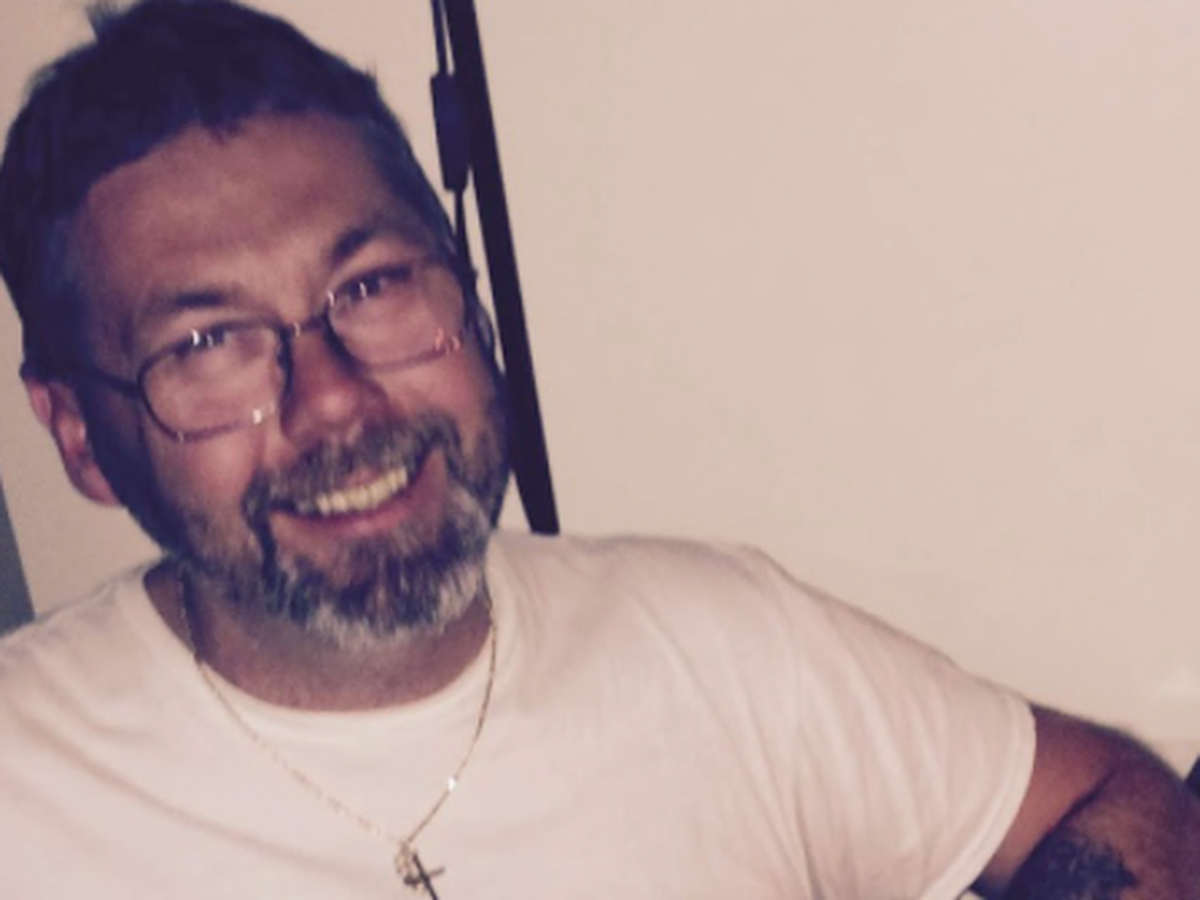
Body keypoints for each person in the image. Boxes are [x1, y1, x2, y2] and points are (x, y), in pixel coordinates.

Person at [0, 1, 1195, 897]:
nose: (337, 403)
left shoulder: (723, 642)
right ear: (82, 435)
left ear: (467, 296)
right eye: (206, 344)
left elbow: (1104, 799)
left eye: (372, 286)